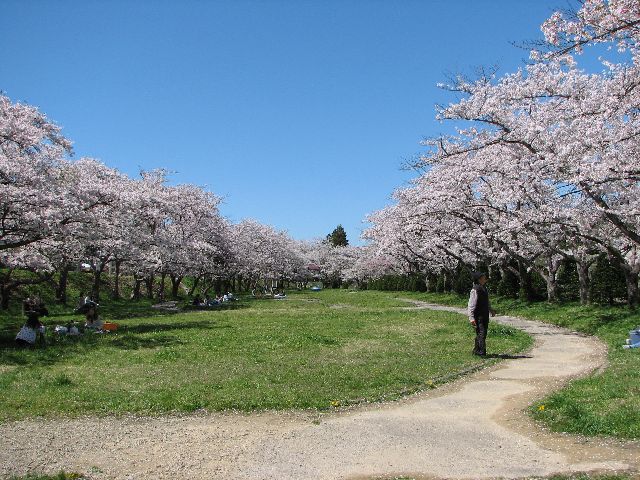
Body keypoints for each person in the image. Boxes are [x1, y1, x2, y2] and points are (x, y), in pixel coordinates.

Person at [467, 272, 496, 356]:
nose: (485, 279)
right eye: (483, 277)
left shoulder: (484, 288)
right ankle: (481, 352)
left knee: (482, 332)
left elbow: (487, 302)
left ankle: (476, 350)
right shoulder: (475, 290)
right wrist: (471, 318)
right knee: (481, 332)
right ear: (479, 279)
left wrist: (491, 310)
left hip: (484, 315)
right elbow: (471, 305)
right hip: (478, 315)